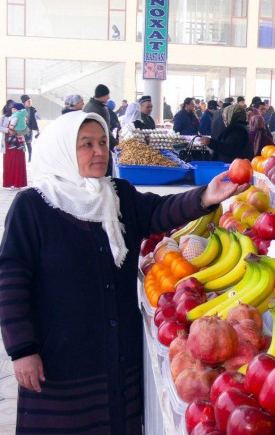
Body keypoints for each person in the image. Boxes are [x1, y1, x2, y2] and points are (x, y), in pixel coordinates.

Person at [0, 110, 247, 434]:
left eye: (103, 142)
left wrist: (204, 197)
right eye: (86, 144)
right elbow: (10, 280)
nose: (99, 151)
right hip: (60, 360)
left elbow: (158, 211)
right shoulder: (33, 206)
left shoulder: (115, 194)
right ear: (62, 149)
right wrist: (22, 349)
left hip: (115, 356)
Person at [84, 84, 116, 175]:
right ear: (102, 95)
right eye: (107, 95)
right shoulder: (96, 109)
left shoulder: (93, 105)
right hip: (98, 143)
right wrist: (114, 144)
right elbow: (104, 129)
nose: (108, 97)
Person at [1, 101, 27, 189]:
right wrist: (8, 130)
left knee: (19, 162)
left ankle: (19, 183)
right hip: (8, 142)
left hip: (19, 142)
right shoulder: (4, 117)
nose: (12, 109)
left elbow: (24, 128)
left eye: (14, 107)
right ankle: (9, 183)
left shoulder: (20, 116)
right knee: (9, 162)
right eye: (11, 107)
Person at [22, 95, 39, 162]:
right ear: (24, 103)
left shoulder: (32, 110)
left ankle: (30, 158)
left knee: (29, 144)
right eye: (28, 101)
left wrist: (37, 130)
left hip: (29, 130)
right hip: (21, 130)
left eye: (31, 101)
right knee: (22, 144)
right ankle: (22, 158)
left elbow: (34, 120)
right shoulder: (21, 110)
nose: (30, 102)